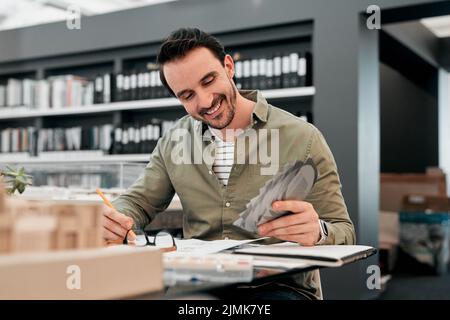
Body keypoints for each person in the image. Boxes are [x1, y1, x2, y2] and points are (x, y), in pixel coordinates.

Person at [102, 27, 355, 300]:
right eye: (187, 95)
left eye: (209, 80)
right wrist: (114, 218)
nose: (206, 101)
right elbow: (138, 202)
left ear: (228, 66)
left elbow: (344, 231)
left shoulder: (302, 137)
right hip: (197, 284)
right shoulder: (175, 140)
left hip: (278, 289)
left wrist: (318, 232)